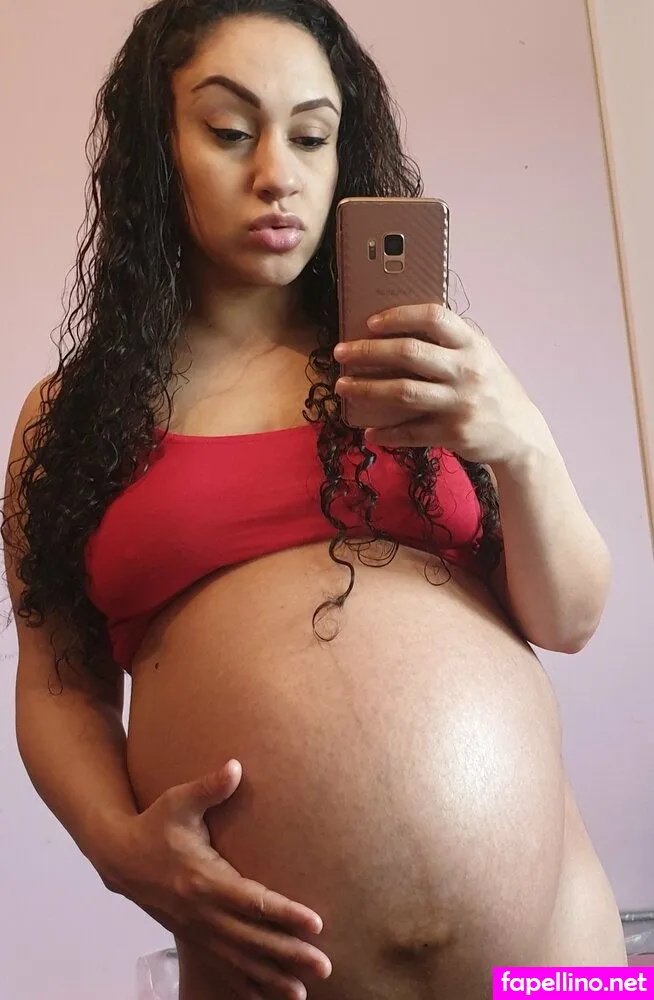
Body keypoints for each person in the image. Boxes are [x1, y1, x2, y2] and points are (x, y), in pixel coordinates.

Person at [1, 1, 627, 998]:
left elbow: (573, 618)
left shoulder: (426, 363)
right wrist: (117, 847)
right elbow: (56, 684)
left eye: (310, 135)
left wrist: (520, 440)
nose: (277, 174)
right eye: (230, 131)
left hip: (559, 969)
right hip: (272, 977)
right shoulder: (75, 417)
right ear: (157, 152)